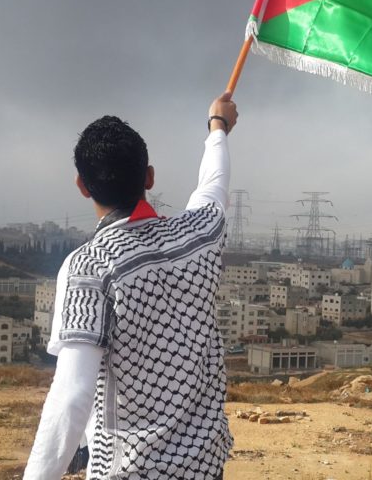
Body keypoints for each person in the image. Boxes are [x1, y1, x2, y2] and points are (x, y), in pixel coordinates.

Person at [24, 93, 238, 479]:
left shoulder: (90, 266)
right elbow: (214, 186)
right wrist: (217, 128)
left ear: (82, 187)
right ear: (150, 177)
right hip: (205, 468)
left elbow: (71, 397)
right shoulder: (198, 237)